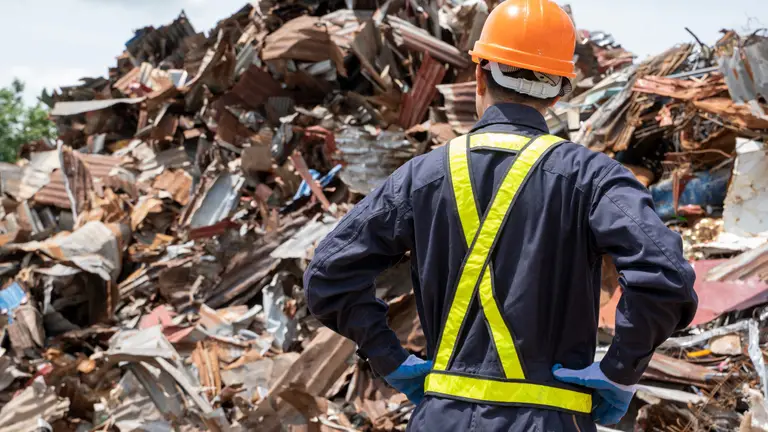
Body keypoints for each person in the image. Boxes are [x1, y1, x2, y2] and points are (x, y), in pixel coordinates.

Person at [303, 0, 698, 430]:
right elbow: (665, 277)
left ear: (478, 73)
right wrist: (620, 370)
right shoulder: (592, 177)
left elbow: (328, 276)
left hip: (442, 419)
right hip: (549, 421)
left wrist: (390, 358)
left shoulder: (420, 176)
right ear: (561, 89)